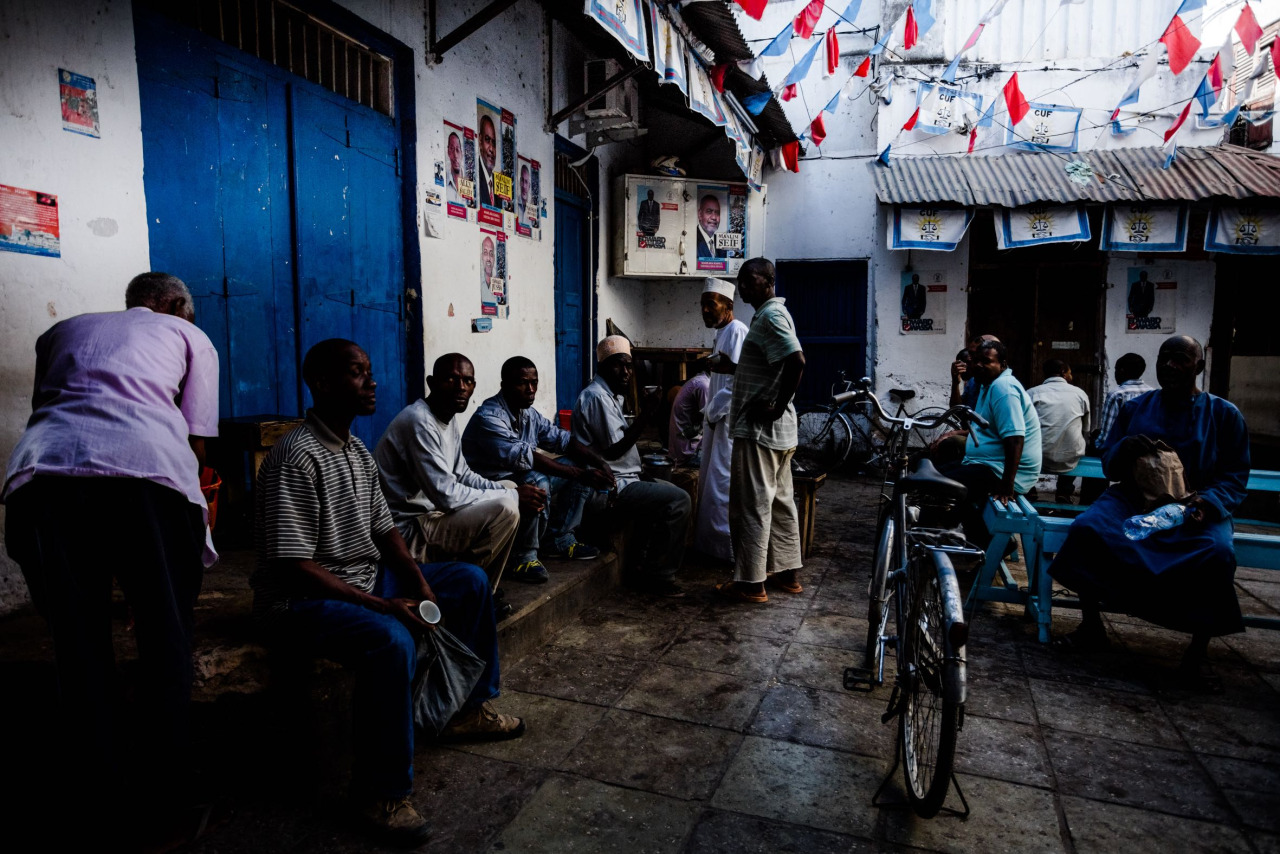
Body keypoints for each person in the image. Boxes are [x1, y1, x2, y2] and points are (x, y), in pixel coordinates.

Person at [252, 339, 522, 846]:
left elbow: (385, 532)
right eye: (357, 373)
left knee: (469, 582)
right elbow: (294, 567)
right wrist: (382, 605)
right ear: (322, 384)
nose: (372, 382)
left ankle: (466, 710)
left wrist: (421, 584)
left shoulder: (356, 451)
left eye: (369, 371)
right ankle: (380, 793)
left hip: (363, 580)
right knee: (390, 639)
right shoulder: (296, 456)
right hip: (299, 601)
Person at [3, 272, 218, 848]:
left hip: (43, 476)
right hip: (145, 475)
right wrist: (190, 521)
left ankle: (97, 799)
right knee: (166, 637)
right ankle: (165, 804)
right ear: (176, 305)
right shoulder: (188, 336)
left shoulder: (60, 331)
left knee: (78, 646)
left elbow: (49, 410)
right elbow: (197, 439)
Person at [1048, 336, 1249, 693]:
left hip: (1195, 505)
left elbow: (1234, 475)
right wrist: (1125, 447)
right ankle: (1091, 627)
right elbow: (1110, 465)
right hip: (1133, 498)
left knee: (1218, 553)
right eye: (1164, 358)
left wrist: (1207, 503)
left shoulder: (1223, 414)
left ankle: (1196, 654)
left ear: (1199, 366)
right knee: (1087, 529)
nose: (1169, 365)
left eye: (1180, 359)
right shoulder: (1136, 408)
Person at [376, 354, 542, 595]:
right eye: (452, 379)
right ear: (432, 383)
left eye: (468, 381)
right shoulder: (419, 422)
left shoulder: (446, 416)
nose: (461, 387)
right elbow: (447, 496)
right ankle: (465, 589)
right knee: (506, 508)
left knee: (507, 485)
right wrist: (515, 497)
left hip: (431, 517)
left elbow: (462, 474)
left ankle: (479, 587)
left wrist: (513, 490)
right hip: (408, 531)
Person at [462, 356, 614, 583]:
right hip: (489, 484)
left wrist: (600, 463)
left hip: (517, 476)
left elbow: (563, 440)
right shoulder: (489, 417)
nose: (531, 389)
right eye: (523, 383)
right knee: (537, 481)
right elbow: (527, 457)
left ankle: (558, 539)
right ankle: (524, 558)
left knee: (579, 465)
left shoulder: (528, 414)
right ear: (505, 385)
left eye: (534, 382)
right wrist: (583, 475)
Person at [572, 336, 692, 597]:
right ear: (603, 366)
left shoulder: (610, 395)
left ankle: (645, 563)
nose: (626, 372)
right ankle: (658, 576)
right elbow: (614, 449)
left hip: (625, 478)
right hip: (608, 487)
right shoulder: (596, 397)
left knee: (670, 489)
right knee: (679, 500)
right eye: (619, 365)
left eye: (629, 366)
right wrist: (646, 414)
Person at [717, 258, 806, 604]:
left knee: (751, 506)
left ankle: (751, 583)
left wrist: (776, 406)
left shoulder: (770, 316)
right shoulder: (769, 315)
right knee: (781, 504)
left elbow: (796, 360)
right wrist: (735, 368)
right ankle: (788, 574)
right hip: (778, 434)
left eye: (749, 280)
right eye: (740, 281)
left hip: (761, 431)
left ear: (768, 281)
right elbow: (773, 366)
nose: (742, 287)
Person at [939, 338, 1042, 543]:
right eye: (976, 360)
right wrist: (956, 381)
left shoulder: (1003, 388)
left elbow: (1015, 439)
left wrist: (1007, 485)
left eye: (986, 361)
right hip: (989, 464)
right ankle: (980, 539)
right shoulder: (987, 385)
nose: (978, 365)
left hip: (1004, 471)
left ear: (1002, 365)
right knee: (936, 473)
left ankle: (982, 541)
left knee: (941, 485)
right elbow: (965, 417)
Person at [695, 277, 749, 561]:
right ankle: (712, 548)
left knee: (722, 485)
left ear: (728, 306)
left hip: (728, 423)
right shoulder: (722, 332)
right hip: (717, 421)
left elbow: (737, 383)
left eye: (711, 304)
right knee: (713, 483)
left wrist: (712, 411)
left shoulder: (737, 331)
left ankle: (726, 552)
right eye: (702, 305)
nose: (705, 310)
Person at [1028, 359, 1091, 503]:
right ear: (1063, 372)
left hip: (1039, 455)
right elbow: (1086, 429)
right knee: (1076, 442)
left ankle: (1029, 488)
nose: (1071, 376)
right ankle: (1064, 490)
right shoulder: (1080, 394)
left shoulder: (1031, 393)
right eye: (1070, 373)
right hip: (1070, 456)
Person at [1095, 352, 1153, 449]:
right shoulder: (1152, 393)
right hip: (1148, 449)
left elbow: (1107, 436)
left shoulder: (1117, 394)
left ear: (1121, 371)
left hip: (1123, 451)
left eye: (1116, 369)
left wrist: (1097, 445)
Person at [668, 372, 710, 465]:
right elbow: (708, 419)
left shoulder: (700, 381)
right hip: (689, 453)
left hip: (683, 445)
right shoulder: (704, 385)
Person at [949, 333, 999, 408]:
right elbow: (957, 410)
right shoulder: (972, 382)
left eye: (976, 358)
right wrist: (955, 383)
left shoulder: (1001, 387)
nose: (975, 364)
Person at [696, 194, 726, 259]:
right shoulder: (692, 238)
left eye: (717, 213)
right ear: (700, 214)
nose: (714, 217)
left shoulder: (721, 242)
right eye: (709, 212)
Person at [477, 114, 497, 208]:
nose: (491, 149)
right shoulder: (475, 176)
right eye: (487, 140)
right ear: (480, 141)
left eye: (494, 143)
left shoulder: (497, 184)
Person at [446, 131, 465, 206]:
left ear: (462, 153)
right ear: (448, 152)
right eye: (452, 149)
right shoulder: (444, 182)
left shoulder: (470, 182)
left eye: (457, 150)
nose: (455, 155)